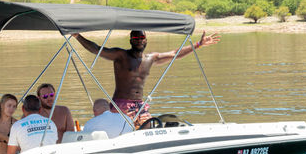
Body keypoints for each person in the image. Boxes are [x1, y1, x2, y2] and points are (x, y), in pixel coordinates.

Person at [72, 30, 220, 127]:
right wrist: (78, 36)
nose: (138, 40)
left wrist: (199, 44)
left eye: (141, 37)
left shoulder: (150, 58)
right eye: (135, 37)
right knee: (124, 133)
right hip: (121, 105)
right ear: (130, 40)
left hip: (141, 107)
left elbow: (175, 54)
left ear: (146, 40)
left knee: (150, 130)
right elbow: (96, 49)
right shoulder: (121, 56)